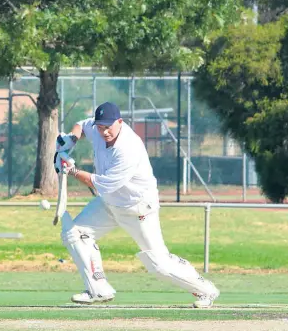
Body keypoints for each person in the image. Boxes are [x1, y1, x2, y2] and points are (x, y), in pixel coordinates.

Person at [54, 101, 220, 308]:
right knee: (74, 233)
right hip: (109, 204)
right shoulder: (97, 129)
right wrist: (71, 140)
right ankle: (98, 289)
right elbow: (81, 124)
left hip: (137, 208)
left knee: (159, 264)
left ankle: (206, 290)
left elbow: (104, 184)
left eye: (108, 127)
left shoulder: (128, 148)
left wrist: (70, 170)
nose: (104, 132)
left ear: (120, 122)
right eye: (100, 127)